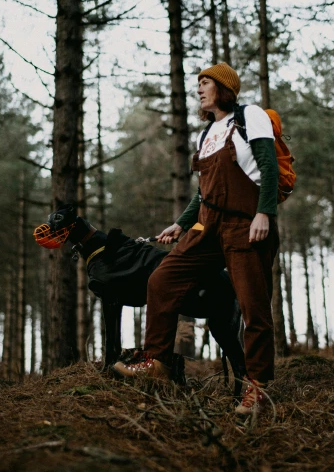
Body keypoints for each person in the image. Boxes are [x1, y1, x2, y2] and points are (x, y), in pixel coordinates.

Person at [113, 62, 280, 416]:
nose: (199, 89)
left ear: (224, 88)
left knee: (254, 307)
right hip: (207, 227)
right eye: (198, 84)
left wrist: (264, 213)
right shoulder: (206, 135)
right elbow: (203, 193)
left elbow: (269, 167)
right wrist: (181, 223)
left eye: (205, 83)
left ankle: (258, 388)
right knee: (162, 279)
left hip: (246, 224)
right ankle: (157, 362)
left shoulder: (251, 116)